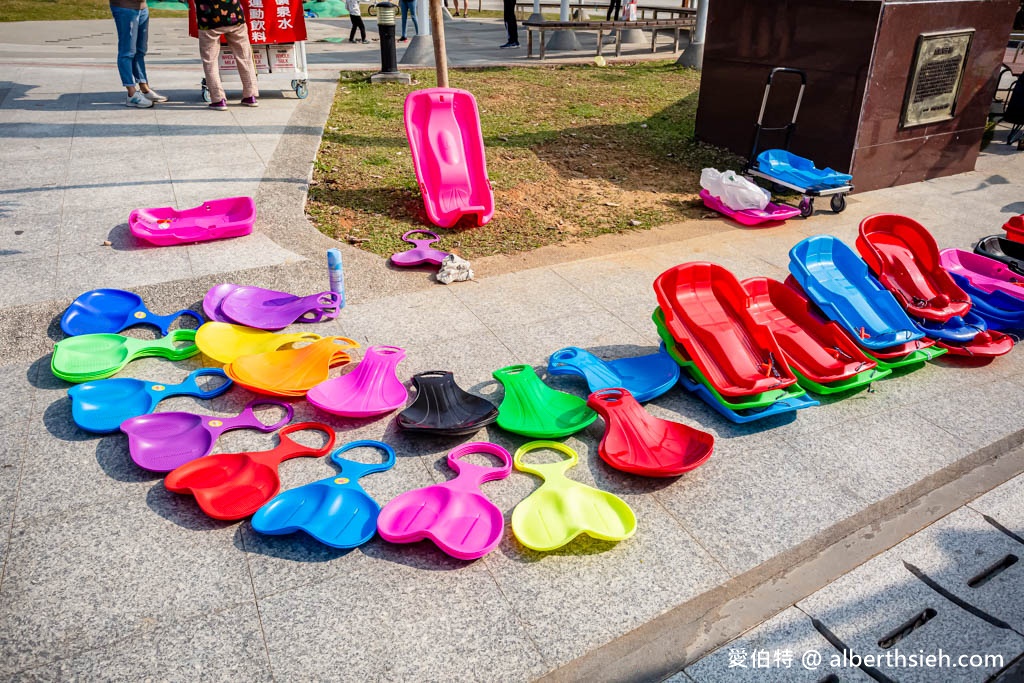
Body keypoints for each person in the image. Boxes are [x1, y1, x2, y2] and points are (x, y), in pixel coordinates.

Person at [194, 0, 259, 110]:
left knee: (210, 61)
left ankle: (218, 99)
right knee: (244, 57)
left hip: (208, 18)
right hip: (234, 14)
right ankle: (250, 95)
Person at [110, 0, 167, 108]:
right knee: (127, 51)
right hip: (125, 8)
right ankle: (131, 93)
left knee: (140, 50)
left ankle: (144, 88)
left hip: (142, 7)